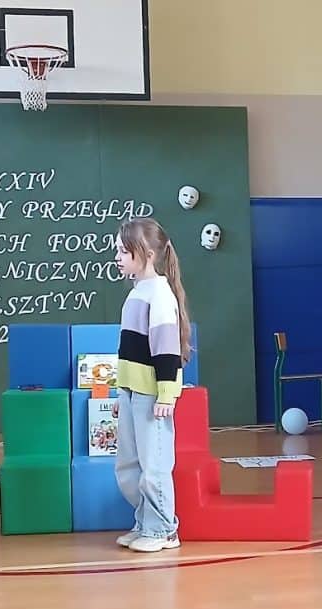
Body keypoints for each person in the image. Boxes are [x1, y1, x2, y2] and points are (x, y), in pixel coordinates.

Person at [111, 217, 191, 553]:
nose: (116, 257)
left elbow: (166, 348)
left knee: (154, 466)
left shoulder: (159, 293)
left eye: (122, 251)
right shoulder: (137, 292)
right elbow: (129, 349)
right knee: (128, 466)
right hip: (131, 391)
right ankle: (145, 522)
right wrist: (122, 392)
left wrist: (166, 395)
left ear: (146, 253)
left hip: (152, 394)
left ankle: (163, 529)